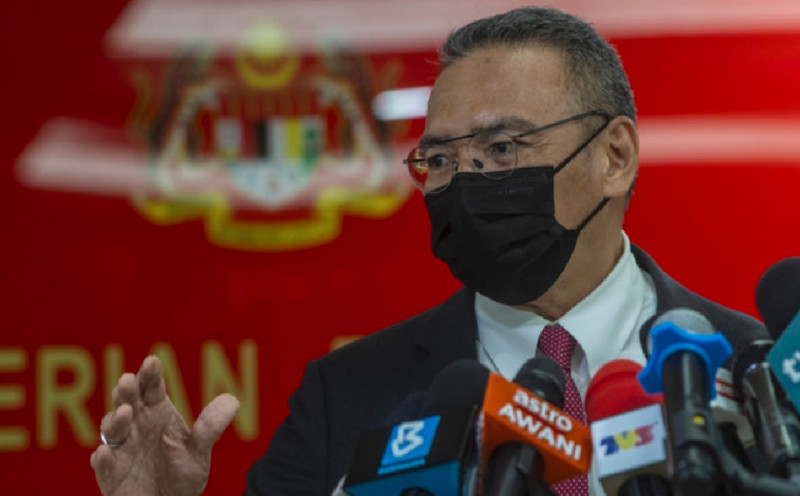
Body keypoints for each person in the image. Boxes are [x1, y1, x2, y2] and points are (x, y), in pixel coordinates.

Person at [90, 6, 765, 496]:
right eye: (440, 159)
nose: (465, 182)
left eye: (502, 148)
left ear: (614, 156)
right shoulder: (347, 396)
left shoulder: (755, 370)